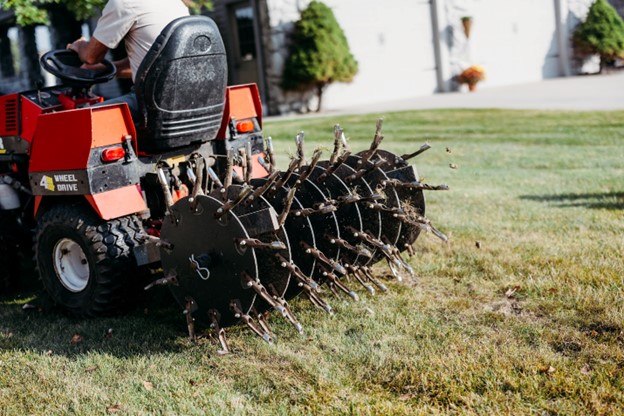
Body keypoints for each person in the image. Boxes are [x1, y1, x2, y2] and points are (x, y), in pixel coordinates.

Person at [67, 0, 190, 121]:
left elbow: (90, 57)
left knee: (79, 121)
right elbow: (152, 65)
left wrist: (80, 46)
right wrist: (100, 70)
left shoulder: (124, 3)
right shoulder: (176, 4)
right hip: (191, 99)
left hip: (155, 103)